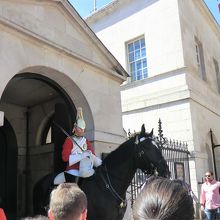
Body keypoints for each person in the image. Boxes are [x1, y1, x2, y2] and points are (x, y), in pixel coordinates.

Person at [54, 107, 102, 184]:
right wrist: (82, 155)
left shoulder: (86, 141)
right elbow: (65, 158)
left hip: (86, 168)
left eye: (83, 129)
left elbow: (92, 155)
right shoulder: (69, 140)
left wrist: (102, 165)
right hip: (73, 169)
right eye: (80, 129)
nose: (82, 131)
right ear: (75, 128)